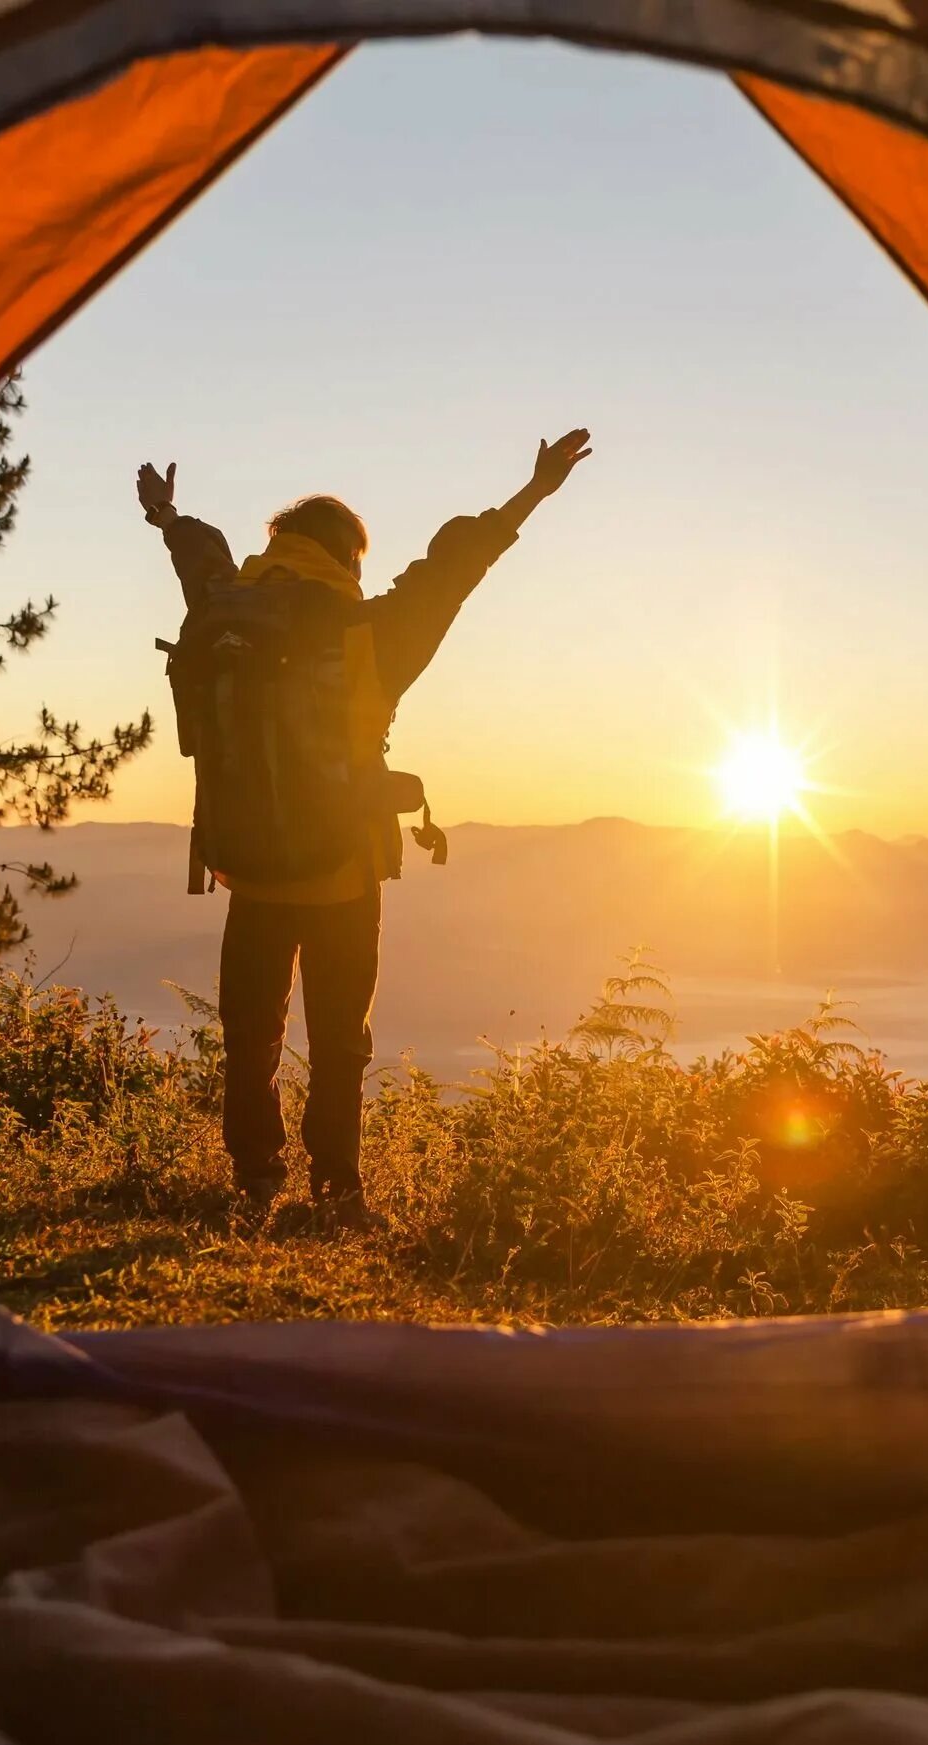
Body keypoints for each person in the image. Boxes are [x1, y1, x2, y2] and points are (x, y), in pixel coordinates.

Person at [136, 429, 593, 1226]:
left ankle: (253, 1182)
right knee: (339, 1039)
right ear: (348, 557)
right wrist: (534, 492)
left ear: (279, 548)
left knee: (251, 1032)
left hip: (246, 865)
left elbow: (200, 556)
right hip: (342, 869)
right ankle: (337, 1192)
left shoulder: (224, 610)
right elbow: (456, 566)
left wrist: (167, 514)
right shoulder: (375, 631)